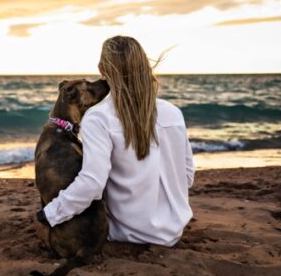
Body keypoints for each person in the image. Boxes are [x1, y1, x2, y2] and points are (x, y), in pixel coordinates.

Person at [37, 35, 194, 247]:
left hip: (127, 233)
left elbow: (92, 184)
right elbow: (187, 176)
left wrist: (50, 214)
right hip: (173, 232)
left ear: (102, 69)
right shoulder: (173, 113)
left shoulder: (99, 117)